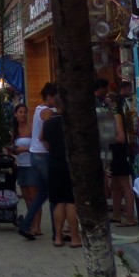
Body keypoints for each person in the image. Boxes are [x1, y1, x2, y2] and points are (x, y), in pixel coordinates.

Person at [18, 82, 58, 240]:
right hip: (43, 155)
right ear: (49, 97)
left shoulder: (37, 110)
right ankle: (57, 232)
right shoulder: (47, 112)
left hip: (35, 155)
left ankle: (26, 224)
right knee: (54, 194)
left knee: (41, 194)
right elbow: (46, 135)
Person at [41, 102, 82, 248]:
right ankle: (75, 237)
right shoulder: (73, 122)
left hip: (54, 164)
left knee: (58, 202)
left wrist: (52, 148)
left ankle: (58, 237)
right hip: (70, 165)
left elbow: (42, 139)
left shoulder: (48, 122)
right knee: (71, 201)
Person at [9, 104, 41, 235]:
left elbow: (37, 146)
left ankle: (37, 226)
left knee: (35, 197)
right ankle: (31, 222)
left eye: (25, 112)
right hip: (21, 166)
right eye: (20, 112)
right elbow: (13, 148)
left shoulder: (32, 128)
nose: (23, 115)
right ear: (15, 114)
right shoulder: (14, 130)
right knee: (27, 197)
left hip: (32, 165)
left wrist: (24, 149)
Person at [107, 92, 135, 226]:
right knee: (115, 185)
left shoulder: (116, 115)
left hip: (119, 152)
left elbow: (121, 138)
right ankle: (117, 214)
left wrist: (106, 136)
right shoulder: (113, 115)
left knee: (124, 184)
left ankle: (130, 217)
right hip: (114, 152)